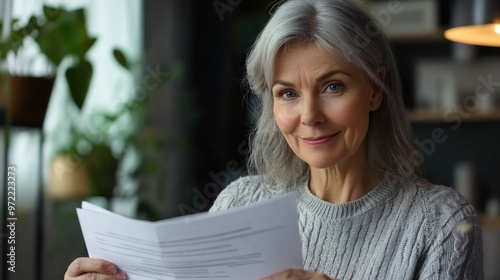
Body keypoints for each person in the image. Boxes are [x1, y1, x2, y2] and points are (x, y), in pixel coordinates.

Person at [65, 0, 484, 279]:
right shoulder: (238, 202)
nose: (310, 116)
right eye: (288, 93)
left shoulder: (441, 225)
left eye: (333, 87)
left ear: (375, 89)